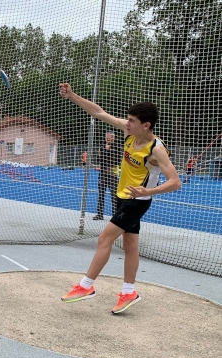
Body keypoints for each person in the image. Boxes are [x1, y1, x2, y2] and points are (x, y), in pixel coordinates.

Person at [59, 83, 181, 314]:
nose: (127, 122)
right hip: (122, 196)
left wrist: (148, 192)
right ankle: (128, 291)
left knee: (104, 238)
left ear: (146, 125)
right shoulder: (128, 133)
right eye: (127, 119)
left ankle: (86, 286)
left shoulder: (156, 149)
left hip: (138, 201)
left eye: (132, 120)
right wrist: (72, 95)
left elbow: (175, 181)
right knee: (130, 245)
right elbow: (98, 112)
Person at [93, 132, 122, 220]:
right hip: (103, 174)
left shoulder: (117, 148)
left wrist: (107, 153)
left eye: (110, 138)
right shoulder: (102, 147)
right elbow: (98, 159)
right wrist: (105, 151)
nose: (108, 139)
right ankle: (100, 214)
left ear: (114, 138)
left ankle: (115, 215)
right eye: (107, 138)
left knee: (114, 196)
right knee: (101, 195)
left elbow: (116, 161)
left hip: (113, 175)